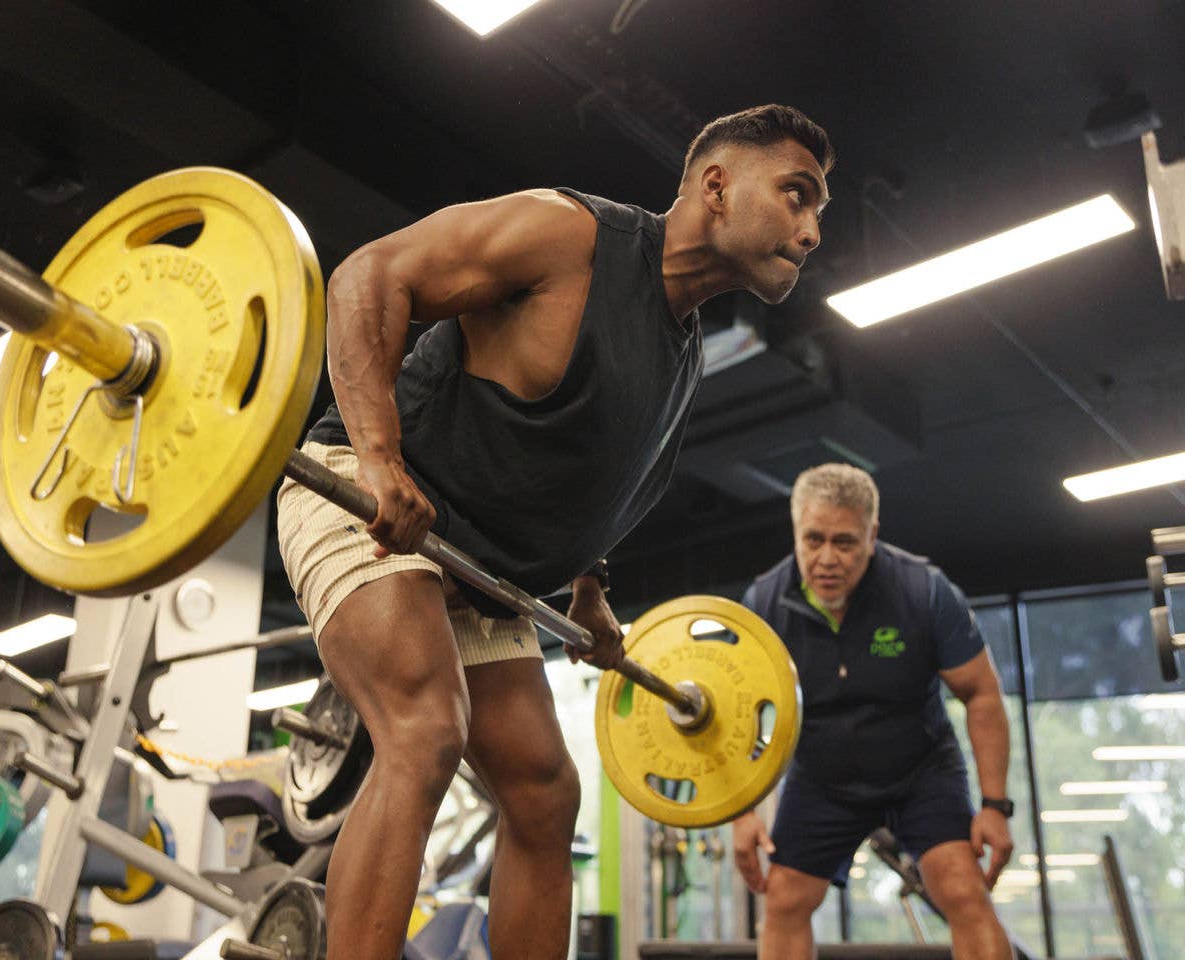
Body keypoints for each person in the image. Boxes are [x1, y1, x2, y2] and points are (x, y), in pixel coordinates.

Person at [276, 104, 834, 960]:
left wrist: (591, 589)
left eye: (818, 211)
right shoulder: (570, 237)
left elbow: (587, 479)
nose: (811, 230)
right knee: (426, 733)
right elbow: (367, 275)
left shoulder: (682, 352)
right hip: (365, 495)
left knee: (544, 793)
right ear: (716, 186)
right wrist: (379, 456)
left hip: (475, 564)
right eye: (797, 196)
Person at [732, 463, 1015, 959]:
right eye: (812, 539)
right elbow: (740, 714)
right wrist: (743, 813)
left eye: (844, 542)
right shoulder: (764, 603)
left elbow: (981, 694)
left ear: (872, 534)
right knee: (783, 901)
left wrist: (995, 807)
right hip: (822, 777)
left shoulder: (924, 591)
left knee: (964, 892)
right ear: (795, 531)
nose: (826, 558)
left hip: (920, 770)